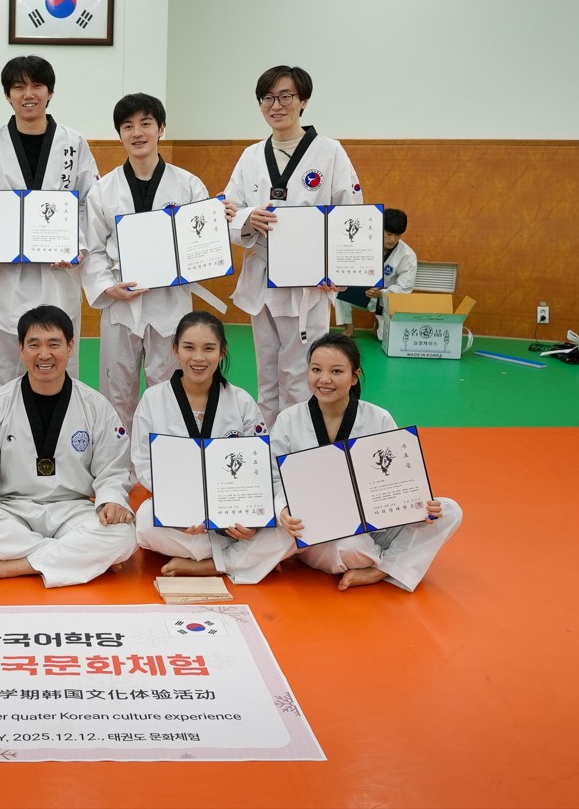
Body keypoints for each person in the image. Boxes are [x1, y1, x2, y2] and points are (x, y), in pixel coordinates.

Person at [0, 305, 137, 586]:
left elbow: (112, 471)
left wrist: (111, 501)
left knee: (124, 535)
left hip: (73, 508)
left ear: (71, 347)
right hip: (13, 509)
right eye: (34, 345)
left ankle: (14, 566)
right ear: (21, 349)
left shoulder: (95, 406)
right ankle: (78, 557)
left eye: (54, 344)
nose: (44, 354)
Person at [222, 65, 361, 429]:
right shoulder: (251, 156)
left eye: (286, 96)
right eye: (268, 98)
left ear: (304, 101)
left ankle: (301, 451)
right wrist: (247, 219)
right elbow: (227, 211)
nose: (276, 105)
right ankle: (270, 451)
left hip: (308, 284)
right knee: (266, 377)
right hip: (261, 278)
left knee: (301, 375)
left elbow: (351, 216)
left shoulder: (330, 153)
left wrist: (339, 272)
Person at [271, 333, 462, 591]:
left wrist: (419, 507)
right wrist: (283, 510)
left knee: (450, 511)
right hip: (321, 531)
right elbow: (274, 478)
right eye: (316, 370)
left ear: (354, 376)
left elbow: (399, 479)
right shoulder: (289, 420)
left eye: (336, 371)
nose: (324, 379)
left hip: (376, 519)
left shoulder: (378, 418)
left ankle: (380, 569)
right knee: (348, 547)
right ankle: (390, 563)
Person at [0, 56, 99, 397]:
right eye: (18, 87)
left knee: (60, 378)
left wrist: (78, 247)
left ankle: (62, 448)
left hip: (57, 278)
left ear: (50, 92)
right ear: (8, 94)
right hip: (1, 284)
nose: (28, 94)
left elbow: (91, 205)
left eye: (36, 85)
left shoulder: (74, 144)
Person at [132, 312, 293, 583]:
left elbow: (260, 465)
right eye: (189, 347)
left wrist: (251, 520)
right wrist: (187, 507)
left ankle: (214, 562)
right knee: (145, 521)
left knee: (293, 525)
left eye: (209, 348)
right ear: (175, 350)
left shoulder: (241, 401)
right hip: (182, 507)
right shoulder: (153, 399)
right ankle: (239, 558)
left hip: (232, 508)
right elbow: (143, 463)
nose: (198, 358)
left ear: (222, 352)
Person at [83, 93, 209, 434]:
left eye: (145, 124)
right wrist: (107, 286)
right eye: (128, 126)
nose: (137, 132)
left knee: (168, 390)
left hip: (171, 303)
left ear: (161, 129)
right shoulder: (103, 190)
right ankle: (116, 472)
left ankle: (165, 463)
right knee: (116, 392)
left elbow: (202, 245)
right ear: (119, 134)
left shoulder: (189, 186)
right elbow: (92, 250)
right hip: (121, 304)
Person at [333, 208, 417, 340]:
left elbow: (405, 288)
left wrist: (382, 293)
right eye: (389, 234)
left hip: (388, 300)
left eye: (398, 235)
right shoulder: (365, 244)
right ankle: (349, 329)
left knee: (384, 338)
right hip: (366, 294)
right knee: (339, 291)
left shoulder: (407, 255)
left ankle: (378, 324)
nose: (393, 239)